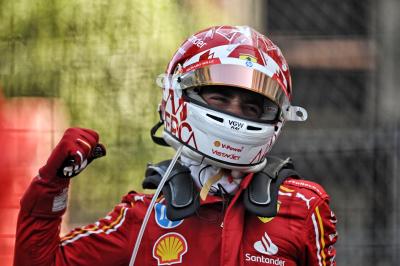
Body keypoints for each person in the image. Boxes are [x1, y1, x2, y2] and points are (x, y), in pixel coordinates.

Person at [14, 25, 338, 266]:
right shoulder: (144, 218)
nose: (235, 114)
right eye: (220, 98)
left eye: (251, 107)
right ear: (177, 95)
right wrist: (51, 186)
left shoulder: (302, 207)